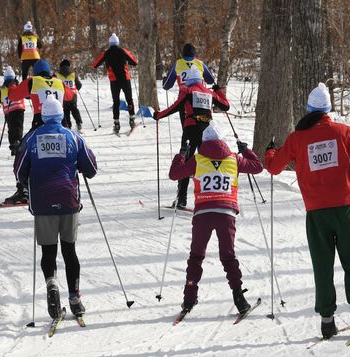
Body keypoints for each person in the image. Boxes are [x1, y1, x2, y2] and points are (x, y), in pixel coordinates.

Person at [265, 83, 350, 339]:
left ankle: (327, 322)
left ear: (308, 109)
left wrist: (270, 151)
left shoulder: (297, 138)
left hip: (317, 213)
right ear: (329, 109)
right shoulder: (342, 131)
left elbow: (273, 167)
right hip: (345, 208)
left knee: (323, 265)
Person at [14, 95, 97, 320]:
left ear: (43, 115)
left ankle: (52, 286)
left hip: (42, 203)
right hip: (69, 201)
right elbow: (91, 168)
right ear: (61, 115)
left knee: (48, 251)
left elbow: (19, 172)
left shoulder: (32, 139)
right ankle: (75, 298)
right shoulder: (73, 136)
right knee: (69, 250)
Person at [168, 123, 263, 314]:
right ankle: (239, 299)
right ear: (222, 141)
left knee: (196, 256)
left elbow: (174, 174)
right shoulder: (234, 159)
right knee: (228, 256)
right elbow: (258, 167)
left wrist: (181, 155)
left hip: (203, 213)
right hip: (226, 213)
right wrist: (247, 151)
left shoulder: (197, 160)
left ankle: (189, 299)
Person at [155, 69, 230, 208]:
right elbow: (226, 106)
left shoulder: (188, 90)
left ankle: (181, 198)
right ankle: (211, 197)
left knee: (185, 163)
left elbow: (176, 107)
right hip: (208, 132)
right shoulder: (209, 92)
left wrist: (159, 115)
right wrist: (218, 91)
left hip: (191, 130)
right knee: (209, 162)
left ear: (188, 80)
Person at [91, 33, 138, 134]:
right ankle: (132, 119)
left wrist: (102, 63)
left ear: (109, 43)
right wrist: (128, 62)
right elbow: (135, 62)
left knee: (116, 102)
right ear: (117, 43)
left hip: (114, 81)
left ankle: (116, 123)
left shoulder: (106, 53)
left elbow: (94, 65)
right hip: (125, 79)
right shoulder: (123, 51)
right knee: (129, 99)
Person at [8, 59, 72, 129]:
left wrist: (12, 84)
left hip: (40, 120)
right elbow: (69, 96)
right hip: (60, 120)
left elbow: (13, 96)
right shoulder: (59, 82)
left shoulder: (32, 81)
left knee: (27, 140)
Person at [0, 66, 25, 156]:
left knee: (11, 128)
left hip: (9, 111)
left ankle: (13, 144)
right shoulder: (18, 86)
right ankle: (18, 142)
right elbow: (26, 94)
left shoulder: (1, 88)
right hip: (19, 109)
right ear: (14, 77)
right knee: (18, 127)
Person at [55, 59, 83, 132]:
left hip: (62, 96)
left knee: (65, 111)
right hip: (73, 95)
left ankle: (67, 126)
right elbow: (79, 86)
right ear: (69, 66)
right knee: (74, 109)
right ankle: (79, 122)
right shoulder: (73, 74)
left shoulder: (56, 75)